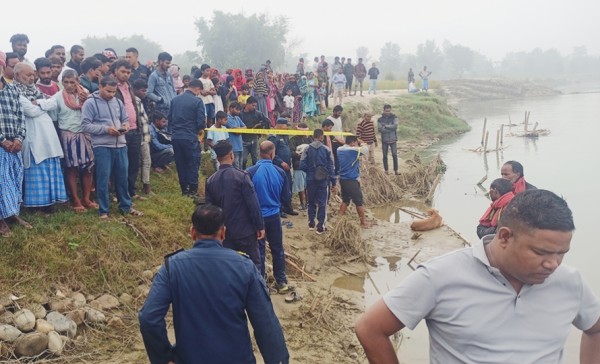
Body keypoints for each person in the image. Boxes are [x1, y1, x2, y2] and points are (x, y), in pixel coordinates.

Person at [355, 189, 600, 363]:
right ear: (505, 237)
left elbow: (595, 328)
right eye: (541, 252)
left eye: (562, 253)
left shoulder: (570, 282)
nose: (553, 264)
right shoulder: (441, 276)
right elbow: (370, 327)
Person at [138, 204, 289, 364]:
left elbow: (148, 318)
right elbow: (265, 322)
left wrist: (164, 358)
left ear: (192, 232)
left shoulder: (172, 267)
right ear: (223, 233)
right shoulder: (244, 266)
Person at [82, 76, 143, 219]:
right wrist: (106, 129)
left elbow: (125, 119)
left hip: (121, 144)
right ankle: (104, 210)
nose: (111, 95)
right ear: (100, 87)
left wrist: (125, 126)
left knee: (123, 177)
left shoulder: (118, 101)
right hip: (102, 146)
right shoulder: (90, 103)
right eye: (108, 91)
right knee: (103, 178)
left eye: (113, 92)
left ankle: (126, 206)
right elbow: (85, 125)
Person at [14, 63, 67, 211]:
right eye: (28, 75)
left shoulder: (35, 90)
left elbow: (54, 102)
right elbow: (30, 111)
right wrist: (44, 106)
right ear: (17, 75)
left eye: (32, 75)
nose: (31, 78)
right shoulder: (15, 92)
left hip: (48, 136)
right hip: (33, 136)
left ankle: (50, 202)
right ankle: (37, 205)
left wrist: (39, 103)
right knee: (37, 168)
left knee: (50, 166)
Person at [205, 140, 265, 271]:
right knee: (254, 265)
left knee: (228, 267)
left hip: (224, 233)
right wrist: (259, 226)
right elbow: (253, 204)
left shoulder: (210, 181)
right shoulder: (242, 177)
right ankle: (255, 291)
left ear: (217, 157)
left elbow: (210, 210)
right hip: (245, 232)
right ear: (232, 155)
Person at [247, 141, 292, 293]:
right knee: (277, 249)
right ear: (272, 153)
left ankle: (261, 285)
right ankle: (282, 282)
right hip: (274, 216)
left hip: (256, 218)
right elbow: (286, 197)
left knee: (258, 251)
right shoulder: (280, 172)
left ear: (259, 152)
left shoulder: (250, 172)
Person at [51, 70, 96, 213]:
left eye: (72, 82)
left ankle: (87, 198)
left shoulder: (85, 94)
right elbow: (54, 118)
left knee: (88, 167)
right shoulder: (57, 97)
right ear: (62, 82)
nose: (69, 85)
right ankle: (75, 200)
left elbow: (92, 111)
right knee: (71, 168)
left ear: (77, 81)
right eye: (66, 82)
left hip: (85, 134)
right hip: (68, 135)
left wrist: (87, 99)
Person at [0, 61, 31, 235]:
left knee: (14, 179)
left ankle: (12, 214)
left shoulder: (13, 90)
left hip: (15, 145)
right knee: (1, 182)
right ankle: (1, 221)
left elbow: (20, 116)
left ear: (3, 68)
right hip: (2, 144)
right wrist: (2, 140)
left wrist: (19, 139)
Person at [112, 60, 144, 200]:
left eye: (128, 72)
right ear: (116, 70)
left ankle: (131, 191)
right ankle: (121, 193)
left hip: (135, 129)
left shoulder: (129, 85)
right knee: (121, 165)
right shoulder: (111, 85)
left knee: (134, 162)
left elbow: (132, 105)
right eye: (123, 71)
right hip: (121, 130)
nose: (125, 75)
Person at [169, 79, 206, 197]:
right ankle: (193, 191)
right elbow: (201, 123)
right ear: (197, 89)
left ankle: (184, 190)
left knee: (181, 163)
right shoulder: (197, 101)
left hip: (176, 137)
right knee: (193, 163)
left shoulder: (174, 100)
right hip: (190, 137)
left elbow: (169, 119)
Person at [300, 129, 336, 234]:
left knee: (310, 202)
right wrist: (333, 181)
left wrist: (311, 171)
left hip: (310, 179)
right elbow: (331, 167)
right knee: (322, 203)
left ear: (313, 136)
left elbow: (302, 165)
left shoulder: (306, 149)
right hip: (323, 180)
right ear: (322, 137)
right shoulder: (327, 149)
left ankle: (311, 223)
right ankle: (320, 226)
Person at [337, 135, 370, 228]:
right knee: (358, 201)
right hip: (351, 180)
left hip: (343, 179)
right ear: (352, 143)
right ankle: (363, 223)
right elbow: (365, 149)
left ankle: (338, 219)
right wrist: (361, 142)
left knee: (346, 200)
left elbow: (346, 145)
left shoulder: (339, 149)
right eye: (355, 143)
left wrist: (356, 142)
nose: (356, 145)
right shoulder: (352, 151)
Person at [268, 115, 298, 216]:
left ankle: (287, 207)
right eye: (286, 125)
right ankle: (279, 209)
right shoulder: (273, 137)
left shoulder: (285, 135)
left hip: (287, 166)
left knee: (288, 187)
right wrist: (281, 162)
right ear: (280, 125)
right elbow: (272, 153)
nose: (287, 127)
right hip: (278, 166)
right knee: (279, 188)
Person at [240, 96, 271, 168]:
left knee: (255, 159)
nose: (254, 107)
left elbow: (267, 121)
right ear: (247, 104)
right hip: (243, 140)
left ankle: (256, 173)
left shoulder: (258, 113)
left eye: (255, 106)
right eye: (253, 105)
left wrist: (259, 125)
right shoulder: (240, 114)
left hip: (254, 139)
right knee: (243, 160)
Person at [147, 52, 176, 119]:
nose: (169, 65)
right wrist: (160, 100)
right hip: (161, 110)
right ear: (160, 62)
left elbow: (173, 90)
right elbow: (148, 93)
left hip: (172, 109)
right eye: (167, 63)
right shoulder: (153, 76)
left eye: (169, 63)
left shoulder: (169, 75)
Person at [378, 104, 399, 175]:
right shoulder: (380, 119)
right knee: (384, 155)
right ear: (384, 110)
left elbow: (395, 126)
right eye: (386, 111)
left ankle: (396, 170)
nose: (388, 112)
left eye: (389, 111)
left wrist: (386, 126)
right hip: (385, 140)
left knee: (394, 155)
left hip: (393, 139)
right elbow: (380, 129)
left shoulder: (394, 117)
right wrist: (390, 128)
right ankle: (386, 170)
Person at [225, 101, 246, 169]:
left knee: (240, 166)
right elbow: (236, 132)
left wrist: (238, 128)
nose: (238, 111)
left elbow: (245, 127)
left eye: (239, 110)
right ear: (231, 108)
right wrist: (240, 129)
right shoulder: (227, 118)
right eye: (237, 109)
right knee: (235, 167)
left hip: (240, 146)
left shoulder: (237, 118)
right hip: (233, 147)